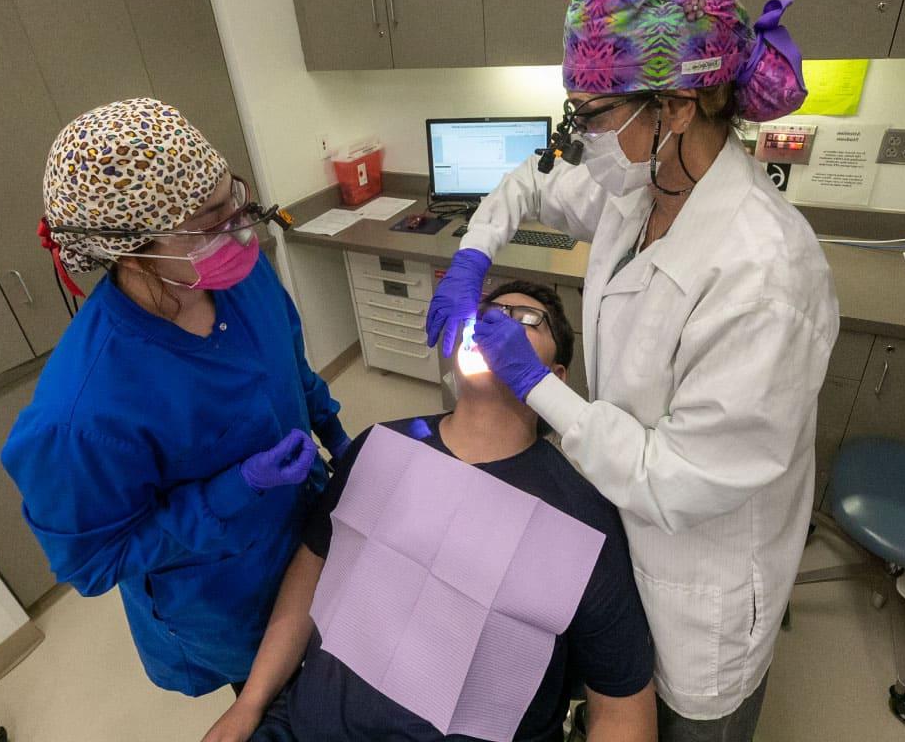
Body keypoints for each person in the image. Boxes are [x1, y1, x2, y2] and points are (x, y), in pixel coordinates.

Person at [425, 0, 840, 741]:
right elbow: (531, 184)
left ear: (677, 106)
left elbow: (676, 479)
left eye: (593, 114)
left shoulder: (765, 277)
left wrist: (532, 385)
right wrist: (471, 257)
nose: (582, 136)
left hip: (699, 580)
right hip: (618, 531)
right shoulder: (645, 185)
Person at [0, 98, 350, 697]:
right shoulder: (81, 415)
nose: (241, 226)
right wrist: (236, 488)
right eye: (210, 219)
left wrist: (333, 433)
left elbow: (288, 363)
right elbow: (94, 562)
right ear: (131, 246)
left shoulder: (239, 277)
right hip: (230, 599)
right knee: (280, 703)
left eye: (233, 198)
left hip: (310, 535)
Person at [203, 281, 656, 742]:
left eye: (525, 320)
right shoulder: (380, 446)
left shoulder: (580, 522)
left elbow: (622, 709)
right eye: (489, 312)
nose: (498, 323)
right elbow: (310, 568)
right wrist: (250, 703)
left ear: (555, 379)